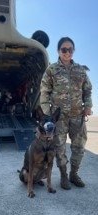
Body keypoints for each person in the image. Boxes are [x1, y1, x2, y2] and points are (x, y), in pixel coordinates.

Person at [40, 37, 92, 190]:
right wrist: (47, 113)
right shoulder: (52, 70)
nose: (67, 52)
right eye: (64, 49)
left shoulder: (80, 70)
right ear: (58, 51)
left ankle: (74, 174)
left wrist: (88, 105)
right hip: (59, 119)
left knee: (79, 148)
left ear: (73, 51)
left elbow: (87, 90)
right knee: (60, 149)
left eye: (70, 50)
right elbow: (44, 92)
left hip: (78, 117)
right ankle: (63, 176)